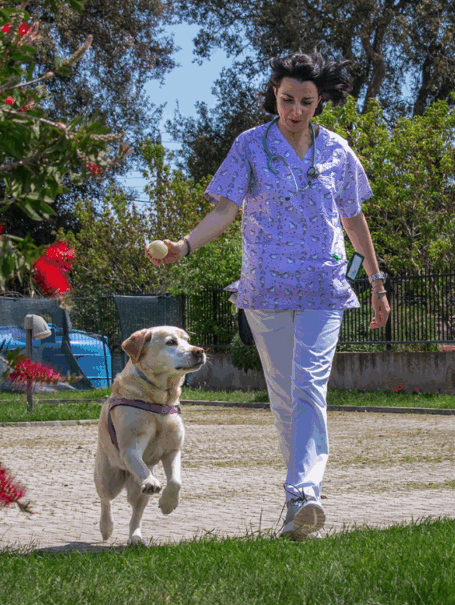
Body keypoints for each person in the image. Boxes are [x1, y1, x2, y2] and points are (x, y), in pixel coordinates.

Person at [148, 52, 391, 539]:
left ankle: (303, 493)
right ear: (274, 96)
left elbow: (352, 217)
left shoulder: (338, 150)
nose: (295, 110)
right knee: (283, 397)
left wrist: (377, 281)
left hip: (323, 286)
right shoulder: (250, 145)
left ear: (319, 102)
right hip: (265, 288)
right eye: (286, 100)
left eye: (306, 101)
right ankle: (299, 499)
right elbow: (225, 209)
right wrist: (184, 246)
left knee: (309, 387)